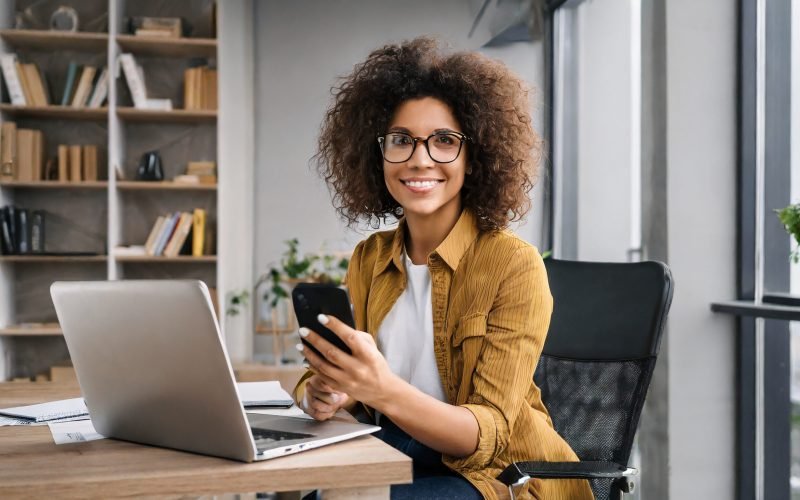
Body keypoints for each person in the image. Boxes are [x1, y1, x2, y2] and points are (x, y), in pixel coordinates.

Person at [293, 37, 593, 500]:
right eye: (401, 141)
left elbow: (486, 435)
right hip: (399, 450)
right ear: (379, 154)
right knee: (318, 494)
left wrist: (381, 388)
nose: (420, 158)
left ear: (475, 157)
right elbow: (352, 382)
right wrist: (331, 392)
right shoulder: (370, 258)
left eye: (445, 141)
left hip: (498, 475)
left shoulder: (514, 265)